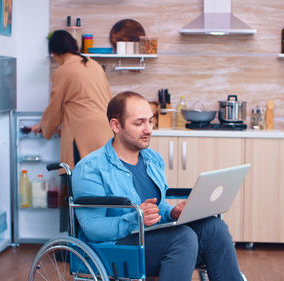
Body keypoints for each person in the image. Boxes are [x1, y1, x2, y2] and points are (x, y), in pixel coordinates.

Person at [72, 91, 245, 281]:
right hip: (115, 249)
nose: (148, 130)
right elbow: (92, 228)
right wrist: (135, 218)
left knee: (214, 228)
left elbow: (158, 208)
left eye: (150, 122)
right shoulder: (90, 168)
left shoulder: (153, 159)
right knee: (183, 237)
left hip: (152, 241)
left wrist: (172, 213)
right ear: (116, 125)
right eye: (139, 123)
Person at [32, 30, 113, 169]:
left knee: (80, 179)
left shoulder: (64, 71)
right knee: (102, 178)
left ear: (54, 52)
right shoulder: (94, 65)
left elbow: (55, 107)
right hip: (107, 130)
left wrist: (45, 127)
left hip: (84, 134)